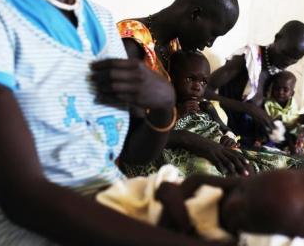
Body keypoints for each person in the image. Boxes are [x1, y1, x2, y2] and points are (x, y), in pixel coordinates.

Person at [0, 0, 226, 245]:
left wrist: (165, 104)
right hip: (9, 228)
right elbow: (22, 197)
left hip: (110, 203)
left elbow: (133, 151)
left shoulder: (100, 23)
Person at [118, 0, 250, 176]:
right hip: (133, 159)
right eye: (213, 33)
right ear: (195, 14)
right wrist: (193, 141)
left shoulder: (175, 47)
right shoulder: (132, 44)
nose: (210, 44)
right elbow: (125, 133)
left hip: (165, 147)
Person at [120, 51, 291, 177]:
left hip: (217, 146)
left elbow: (223, 127)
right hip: (184, 153)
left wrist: (229, 136)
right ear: (171, 78)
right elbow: (157, 133)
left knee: (268, 161)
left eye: (203, 82)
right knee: (207, 170)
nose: (197, 87)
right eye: (190, 80)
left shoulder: (206, 106)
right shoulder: (166, 106)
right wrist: (179, 112)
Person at [97, 165, 304, 241]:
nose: (233, 204)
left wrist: (177, 212)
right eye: (240, 192)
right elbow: (197, 180)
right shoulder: (241, 189)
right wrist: (177, 192)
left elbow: (167, 232)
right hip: (136, 195)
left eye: (244, 214)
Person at [206, 20, 304, 146]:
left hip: (252, 139)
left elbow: (282, 111)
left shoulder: (277, 72)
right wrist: (247, 108)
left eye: (294, 60)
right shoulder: (248, 59)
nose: (286, 62)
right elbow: (204, 90)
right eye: (284, 54)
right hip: (227, 133)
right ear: (277, 38)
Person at [263, 71, 304, 153]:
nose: (280, 92)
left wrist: (299, 121)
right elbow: (268, 121)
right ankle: (293, 150)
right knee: (284, 128)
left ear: (292, 93)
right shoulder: (268, 104)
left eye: (285, 90)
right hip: (279, 132)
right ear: (272, 89)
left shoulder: (292, 102)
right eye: (277, 89)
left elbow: (294, 116)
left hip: (293, 127)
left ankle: (301, 142)